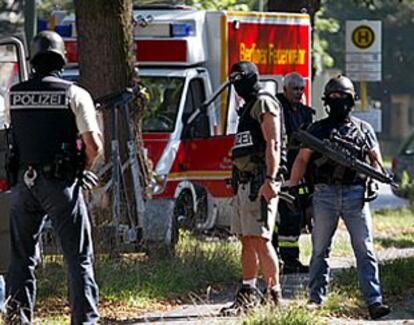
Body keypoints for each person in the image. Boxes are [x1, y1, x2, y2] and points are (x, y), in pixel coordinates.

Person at [5, 31, 102, 324]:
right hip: (60, 184)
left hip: (24, 184)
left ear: (32, 60)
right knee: (78, 257)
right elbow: (93, 145)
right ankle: (84, 320)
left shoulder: (14, 94)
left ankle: (17, 319)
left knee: (21, 259)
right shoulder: (74, 93)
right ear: (62, 59)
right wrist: (82, 170)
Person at [289, 75, 390, 320]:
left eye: (342, 97)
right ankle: (316, 299)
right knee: (320, 250)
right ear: (326, 101)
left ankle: (374, 300)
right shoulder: (317, 129)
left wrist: (377, 179)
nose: (338, 101)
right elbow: (302, 159)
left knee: (364, 249)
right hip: (324, 195)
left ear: (351, 100)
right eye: (333, 97)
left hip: (356, 194)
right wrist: (292, 187)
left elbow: (375, 160)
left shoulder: (362, 129)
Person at [221, 61, 285, 315]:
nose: (236, 84)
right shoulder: (246, 106)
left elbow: (273, 143)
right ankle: (247, 295)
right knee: (246, 239)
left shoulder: (263, 102)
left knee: (260, 239)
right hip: (244, 183)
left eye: (239, 78)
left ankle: (274, 298)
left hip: (260, 181)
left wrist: (270, 179)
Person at [273, 72, 314, 274]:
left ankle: (290, 261)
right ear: (285, 89)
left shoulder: (305, 113)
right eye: (295, 89)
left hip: (300, 173)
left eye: (301, 89)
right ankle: (276, 260)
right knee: (280, 219)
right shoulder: (276, 109)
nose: (299, 92)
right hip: (280, 172)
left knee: (295, 219)